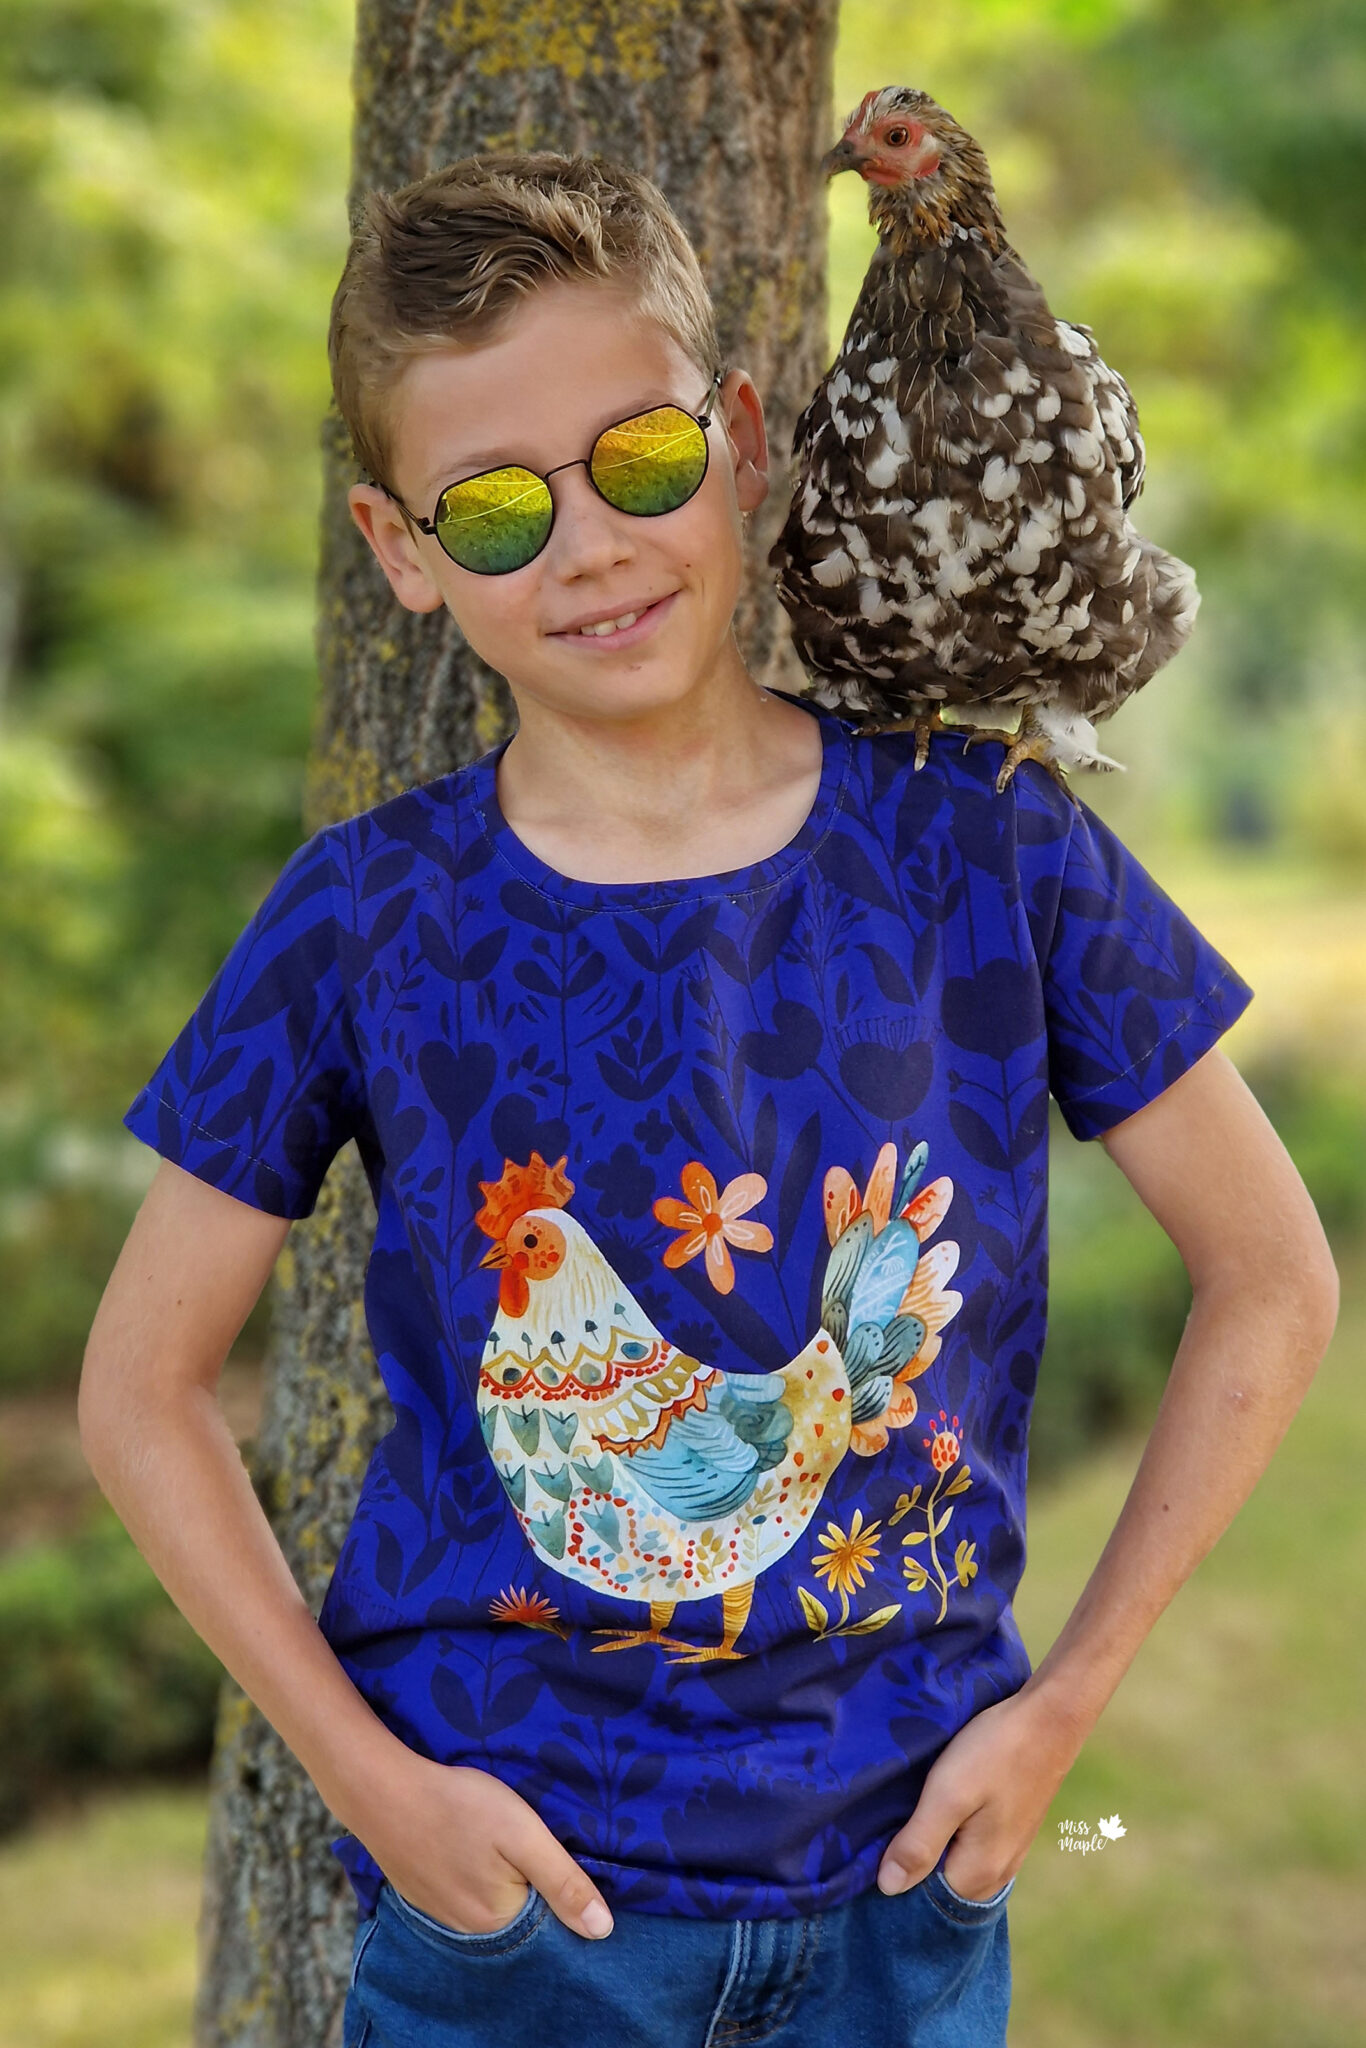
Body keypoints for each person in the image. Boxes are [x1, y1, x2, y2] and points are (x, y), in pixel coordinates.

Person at [80, 152, 1339, 2048]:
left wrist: (1066, 1705)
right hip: (516, 1928)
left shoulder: (991, 845)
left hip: (902, 1899)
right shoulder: (365, 914)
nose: (588, 546)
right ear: (400, 550)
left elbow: (1274, 1279)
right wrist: (373, 1785)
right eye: (494, 507)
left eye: (641, 459)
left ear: (739, 440)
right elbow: (135, 1386)